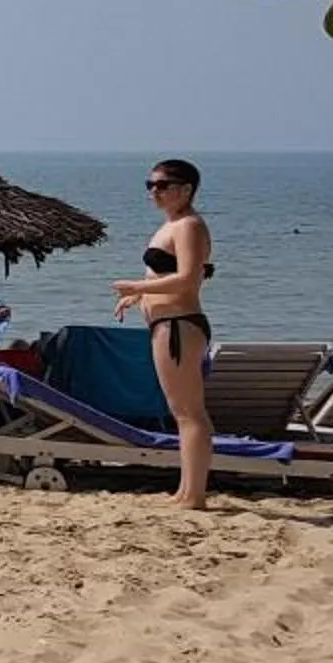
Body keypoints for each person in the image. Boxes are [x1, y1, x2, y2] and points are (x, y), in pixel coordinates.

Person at [113, 158, 216, 509]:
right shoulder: (171, 226)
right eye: (150, 185)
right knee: (181, 412)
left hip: (179, 324)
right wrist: (138, 295)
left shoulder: (189, 225)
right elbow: (167, 277)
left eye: (162, 185)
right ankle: (186, 490)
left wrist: (136, 284)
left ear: (185, 189)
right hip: (167, 322)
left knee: (190, 412)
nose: (153, 192)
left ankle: (195, 495)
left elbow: (188, 279)